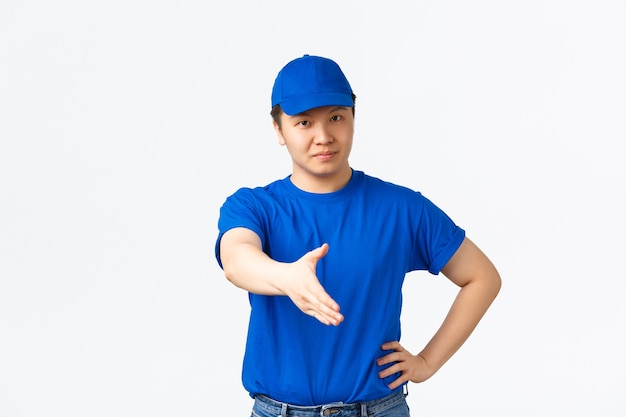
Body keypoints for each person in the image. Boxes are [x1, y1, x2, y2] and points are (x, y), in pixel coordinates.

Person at [215, 54, 501, 417]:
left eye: (336, 117)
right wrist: (286, 277)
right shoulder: (254, 207)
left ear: (353, 118)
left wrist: (427, 362)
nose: (323, 137)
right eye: (304, 122)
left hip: (378, 409)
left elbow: (482, 277)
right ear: (278, 131)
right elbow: (237, 259)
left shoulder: (402, 208)